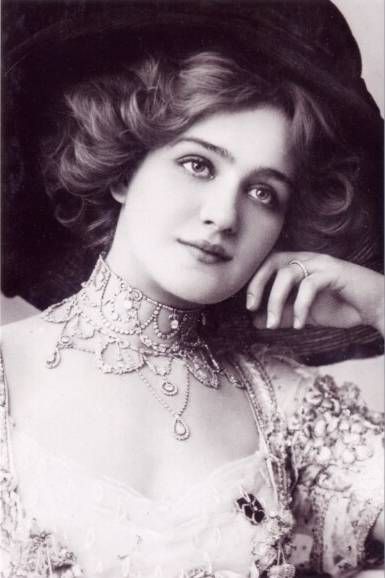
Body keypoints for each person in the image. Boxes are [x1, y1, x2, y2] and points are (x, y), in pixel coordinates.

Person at [1, 1, 384, 577]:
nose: (223, 215)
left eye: (262, 193)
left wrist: (382, 305)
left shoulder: (284, 408)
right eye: (199, 165)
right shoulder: (7, 371)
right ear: (126, 169)